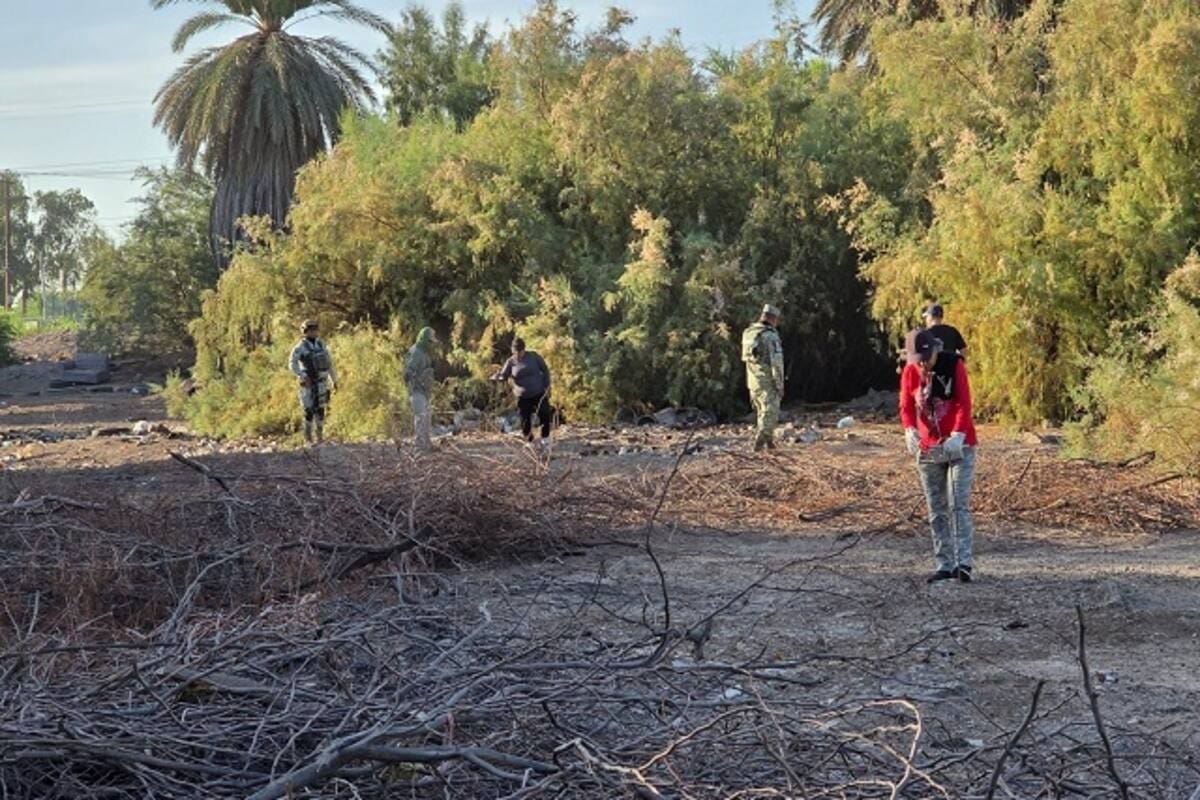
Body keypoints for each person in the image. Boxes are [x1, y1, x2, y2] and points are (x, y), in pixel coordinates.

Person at [899, 328, 979, 584]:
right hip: (929, 447)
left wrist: (958, 434)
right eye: (917, 359)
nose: (923, 364)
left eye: (926, 357)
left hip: (959, 445)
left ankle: (963, 562)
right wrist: (909, 429)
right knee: (936, 508)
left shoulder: (953, 364)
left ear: (935, 349)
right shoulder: (911, 371)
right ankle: (944, 563)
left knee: (958, 503)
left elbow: (964, 404)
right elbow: (906, 405)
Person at [491, 338, 552, 447]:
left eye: (520, 351)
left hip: (538, 392)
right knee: (525, 419)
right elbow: (503, 375)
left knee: (544, 414)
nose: (518, 354)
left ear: (524, 349)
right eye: (515, 351)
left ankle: (545, 438)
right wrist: (497, 377)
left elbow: (545, 370)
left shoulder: (534, 357)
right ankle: (529, 440)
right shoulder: (510, 362)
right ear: (512, 351)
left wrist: (547, 386)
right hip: (522, 396)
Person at [741, 304, 785, 452]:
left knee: (762, 412)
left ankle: (769, 443)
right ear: (773, 319)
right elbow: (776, 364)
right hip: (767, 381)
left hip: (753, 380)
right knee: (771, 412)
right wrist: (779, 385)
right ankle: (759, 444)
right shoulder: (770, 336)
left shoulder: (748, 333)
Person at [289, 319, 336, 444]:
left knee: (321, 409)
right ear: (305, 332)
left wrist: (334, 380)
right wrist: (302, 375)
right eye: (311, 330)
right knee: (308, 410)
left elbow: (329, 363)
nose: (314, 332)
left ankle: (319, 436)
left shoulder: (321, 345)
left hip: (322, 381)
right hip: (308, 382)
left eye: (315, 329)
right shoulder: (300, 348)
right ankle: (308, 438)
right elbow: (292, 364)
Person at [404, 327, 438, 451]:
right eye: (429, 341)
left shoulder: (423, 353)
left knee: (427, 418)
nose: (431, 344)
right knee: (420, 417)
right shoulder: (416, 352)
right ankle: (420, 446)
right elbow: (408, 371)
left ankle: (427, 444)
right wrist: (414, 383)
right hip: (417, 390)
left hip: (425, 390)